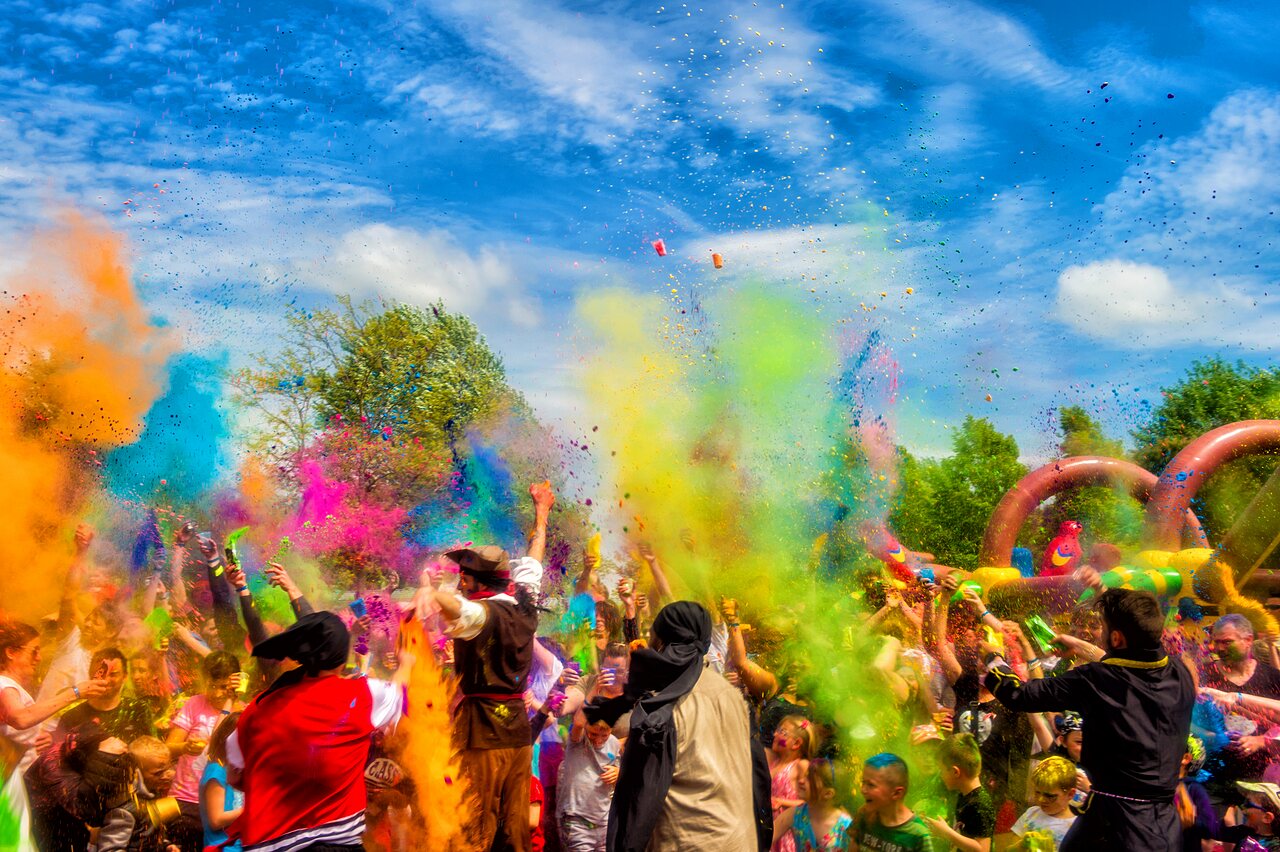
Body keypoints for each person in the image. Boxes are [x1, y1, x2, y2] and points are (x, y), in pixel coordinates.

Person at [984, 589, 1195, 851]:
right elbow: (1130, 672)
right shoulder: (1180, 673)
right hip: (1165, 827)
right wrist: (1081, 646)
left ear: (1116, 638)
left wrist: (994, 660)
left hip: (1113, 829)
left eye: (1103, 627)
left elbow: (1020, 695)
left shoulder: (1095, 679)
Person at [585, 600, 770, 852]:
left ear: (661, 642)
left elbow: (640, 799)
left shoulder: (662, 705)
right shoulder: (732, 696)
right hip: (740, 841)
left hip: (686, 842)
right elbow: (759, 779)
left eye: (654, 637)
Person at [431, 480, 554, 852]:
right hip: (516, 731)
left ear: (480, 582)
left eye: (464, 577)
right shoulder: (524, 600)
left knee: (474, 824)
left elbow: (459, 609)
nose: (460, 583)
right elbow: (535, 557)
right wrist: (542, 512)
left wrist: (431, 593)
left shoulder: (481, 613)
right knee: (515, 828)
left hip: (483, 732)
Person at [227, 611, 407, 852]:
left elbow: (235, 777)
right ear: (342, 660)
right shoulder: (360, 695)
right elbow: (400, 691)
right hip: (336, 844)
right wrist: (407, 663)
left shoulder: (256, 709)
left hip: (268, 844)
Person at [1, 619, 109, 852]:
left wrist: (40, 741)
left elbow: (17, 728)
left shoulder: (11, 686)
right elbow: (20, 719)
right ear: (10, 652)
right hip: (8, 787)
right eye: (33, 651)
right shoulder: (3, 684)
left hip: (20, 785)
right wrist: (77, 692)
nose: (38, 658)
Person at [165, 650, 242, 849]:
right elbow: (167, 749)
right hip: (185, 800)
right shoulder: (194, 704)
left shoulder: (242, 711)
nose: (217, 693)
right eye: (212, 686)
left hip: (223, 805)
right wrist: (185, 747)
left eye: (224, 687)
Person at [1202, 614, 1280, 802]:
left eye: (1227, 642)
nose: (1219, 648)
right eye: (1217, 642)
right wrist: (1214, 737)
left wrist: (1262, 741)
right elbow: (1185, 721)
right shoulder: (1205, 674)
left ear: (1248, 640)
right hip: (1214, 783)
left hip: (1263, 785)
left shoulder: (1272, 677)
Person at [96, 735, 182, 852]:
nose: (167, 775)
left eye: (168, 768)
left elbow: (146, 835)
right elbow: (110, 849)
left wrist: (165, 846)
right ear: (136, 772)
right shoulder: (125, 809)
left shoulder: (152, 795)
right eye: (158, 773)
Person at [56, 648, 156, 744]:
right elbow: (57, 757)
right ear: (90, 675)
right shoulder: (71, 717)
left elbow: (153, 753)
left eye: (113, 674)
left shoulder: (139, 710)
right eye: (101, 673)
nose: (106, 680)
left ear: (124, 676)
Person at [556, 716, 619, 852]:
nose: (598, 740)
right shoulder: (578, 741)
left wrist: (617, 772)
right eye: (593, 734)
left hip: (603, 820)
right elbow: (578, 723)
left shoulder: (614, 743)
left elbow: (618, 769)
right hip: (577, 820)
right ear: (586, 726)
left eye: (604, 735)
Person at [922, 733, 993, 852]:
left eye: (942, 769)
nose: (940, 774)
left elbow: (982, 849)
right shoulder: (963, 795)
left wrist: (946, 833)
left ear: (955, 772)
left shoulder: (980, 804)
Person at [849, 752, 934, 852]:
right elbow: (854, 845)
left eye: (871, 785)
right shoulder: (864, 815)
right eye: (863, 782)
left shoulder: (917, 834)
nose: (863, 790)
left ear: (896, 793)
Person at [999, 756, 1077, 851]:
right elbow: (1008, 850)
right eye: (1037, 792)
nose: (1041, 799)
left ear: (1070, 794)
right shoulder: (1031, 813)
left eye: (1049, 796)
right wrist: (1022, 844)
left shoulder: (1076, 826)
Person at [773, 759, 853, 852]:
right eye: (805, 775)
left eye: (810, 779)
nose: (801, 781)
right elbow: (763, 837)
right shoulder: (797, 814)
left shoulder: (846, 828)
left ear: (828, 793)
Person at [769, 716, 814, 852]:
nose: (775, 734)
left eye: (783, 732)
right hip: (770, 828)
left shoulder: (801, 766)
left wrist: (782, 802)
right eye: (777, 729)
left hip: (787, 833)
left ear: (796, 743)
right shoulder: (774, 762)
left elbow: (811, 802)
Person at [199, 712, 242, 852]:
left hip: (239, 845)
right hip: (223, 847)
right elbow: (216, 820)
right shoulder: (217, 770)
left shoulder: (236, 769)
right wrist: (253, 809)